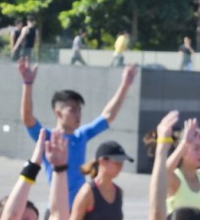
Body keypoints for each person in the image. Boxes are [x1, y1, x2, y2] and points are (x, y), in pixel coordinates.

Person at [19, 55, 138, 208]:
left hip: (81, 209)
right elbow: (28, 118)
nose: (78, 114)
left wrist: (125, 85)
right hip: (57, 209)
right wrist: (27, 84)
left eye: (79, 110)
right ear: (58, 113)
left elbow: (108, 116)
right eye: (73, 110)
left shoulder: (81, 135)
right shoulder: (47, 137)